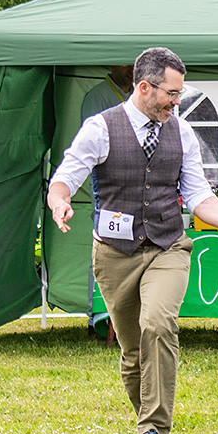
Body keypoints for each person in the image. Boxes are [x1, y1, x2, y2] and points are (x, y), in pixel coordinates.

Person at [46, 47, 218, 434]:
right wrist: (59, 202)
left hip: (168, 246)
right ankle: (147, 421)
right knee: (133, 353)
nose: (177, 102)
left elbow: (198, 193)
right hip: (115, 253)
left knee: (158, 324)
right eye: (172, 93)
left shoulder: (181, 133)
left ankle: (153, 429)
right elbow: (65, 176)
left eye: (179, 93)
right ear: (145, 87)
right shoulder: (101, 128)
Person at [80, 65, 135, 336]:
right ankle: (98, 316)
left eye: (133, 65)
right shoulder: (97, 97)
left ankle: (128, 315)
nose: (130, 70)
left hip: (135, 183)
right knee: (104, 247)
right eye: (125, 65)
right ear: (112, 65)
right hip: (107, 184)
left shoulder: (138, 94)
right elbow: (89, 145)